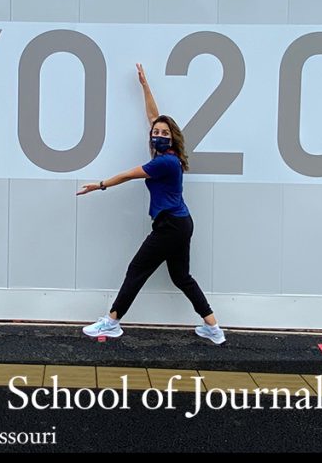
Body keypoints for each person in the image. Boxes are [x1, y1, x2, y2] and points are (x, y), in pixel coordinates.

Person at [75, 63, 225, 345]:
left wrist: (100, 185)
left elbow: (128, 175)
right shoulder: (168, 154)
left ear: (172, 138)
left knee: (137, 269)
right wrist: (145, 86)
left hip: (170, 225)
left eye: (164, 133)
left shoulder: (165, 162)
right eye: (156, 132)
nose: (158, 133)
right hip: (180, 223)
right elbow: (154, 116)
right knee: (181, 277)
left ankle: (112, 321)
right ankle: (213, 328)